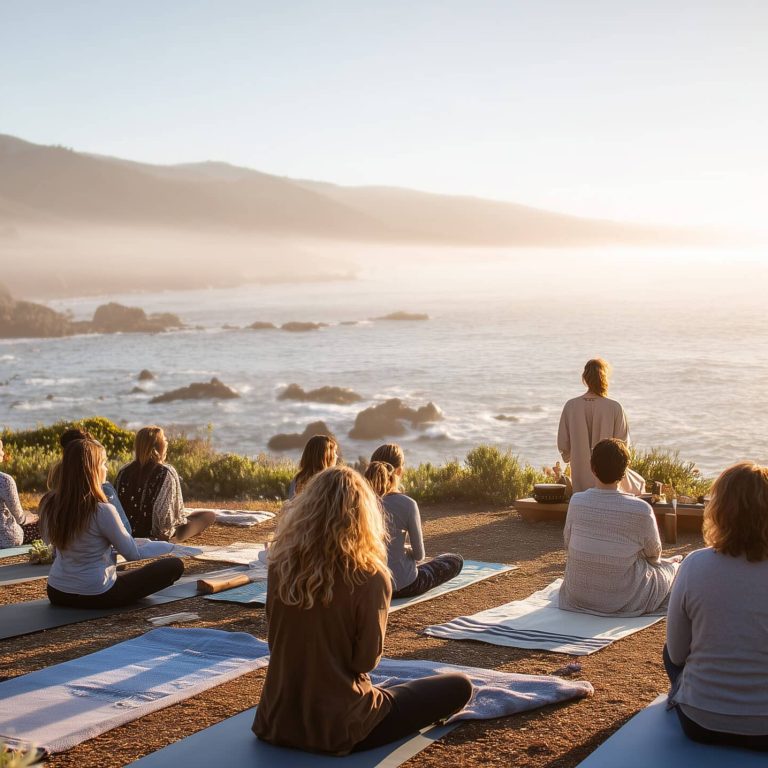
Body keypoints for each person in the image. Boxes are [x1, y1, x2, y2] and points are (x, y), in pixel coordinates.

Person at [253, 466, 472, 754]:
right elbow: (364, 662)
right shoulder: (370, 577)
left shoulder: (281, 567)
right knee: (458, 686)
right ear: (364, 515)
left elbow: (276, 641)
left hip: (276, 719)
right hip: (342, 724)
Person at [664, 461, 768, 750]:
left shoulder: (695, 564)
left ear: (719, 509)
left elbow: (676, 653)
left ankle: (690, 693)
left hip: (701, 721)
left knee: (668, 650)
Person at [40, 438, 185, 608]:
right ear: (92, 469)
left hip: (57, 592)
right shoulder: (101, 510)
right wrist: (170, 548)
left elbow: (49, 541)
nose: (106, 469)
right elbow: (132, 553)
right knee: (173, 565)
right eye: (103, 463)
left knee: (124, 575)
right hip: (97, 594)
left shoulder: (48, 502)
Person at [559, 438, 678, 616]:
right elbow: (654, 554)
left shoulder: (577, 501)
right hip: (622, 598)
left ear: (593, 468)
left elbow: (568, 542)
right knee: (674, 568)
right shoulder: (640, 509)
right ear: (625, 471)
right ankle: (675, 566)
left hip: (577, 595)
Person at [365, 454, 463, 599]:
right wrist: (405, 549)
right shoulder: (407, 503)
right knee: (455, 560)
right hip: (404, 586)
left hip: (370, 588)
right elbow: (419, 555)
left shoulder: (360, 504)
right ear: (393, 479)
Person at [115, 426, 215, 541]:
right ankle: (175, 540)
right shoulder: (165, 472)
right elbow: (164, 525)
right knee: (208, 515)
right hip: (155, 537)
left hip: (126, 534)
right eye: (165, 440)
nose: (167, 443)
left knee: (194, 515)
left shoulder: (124, 471)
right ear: (159, 447)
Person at [558, 358, 630, 493]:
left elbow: (563, 444)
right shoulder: (614, 407)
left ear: (585, 378)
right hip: (609, 476)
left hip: (579, 475)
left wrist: (573, 456)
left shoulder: (571, 406)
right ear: (605, 378)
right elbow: (623, 445)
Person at [48, 427, 132, 533]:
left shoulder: (57, 473)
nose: (106, 468)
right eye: (102, 463)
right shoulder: (103, 494)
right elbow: (126, 530)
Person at [0, 439, 40, 547]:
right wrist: (32, 518)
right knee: (41, 524)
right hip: (6, 539)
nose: (3, 453)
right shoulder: (5, 480)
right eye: (1, 449)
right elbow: (20, 519)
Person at [287, 434, 338, 498]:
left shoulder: (297, 479)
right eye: (335, 452)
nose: (336, 456)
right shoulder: (329, 482)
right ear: (326, 457)